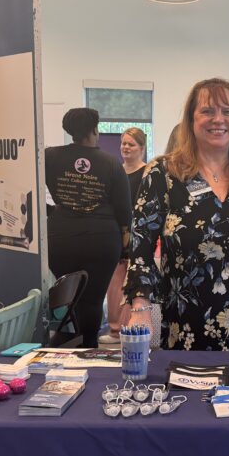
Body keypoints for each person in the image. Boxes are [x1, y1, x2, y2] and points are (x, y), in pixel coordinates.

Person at [124, 78, 229, 351]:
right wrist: (140, 307)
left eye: (227, 111)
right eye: (207, 111)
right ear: (191, 119)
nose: (218, 119)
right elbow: (141, 249)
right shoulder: (163, 174)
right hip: (183, 330)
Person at [45, 108, 131, 348]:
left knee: (67, 296)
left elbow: (26, 187)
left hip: (60, 236)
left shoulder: (49, 157)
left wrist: (52, 212)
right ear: (95, 129)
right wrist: (126, 250)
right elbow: (125, 212)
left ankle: (64, 345)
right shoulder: (112, 164)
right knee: (92, 299)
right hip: (102, 239)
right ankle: (89, 350)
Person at [100, 126, 149, 345]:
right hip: (116, 232)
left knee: (134, 282)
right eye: (123, 143)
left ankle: (131, 328)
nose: (125, 148)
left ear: (141, 148)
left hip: (139, 233)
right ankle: (114, 329)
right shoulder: (115, 171)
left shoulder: (147, 174)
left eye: (131, 144)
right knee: (115, 280)